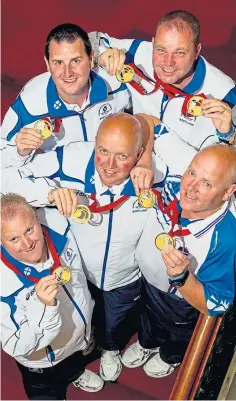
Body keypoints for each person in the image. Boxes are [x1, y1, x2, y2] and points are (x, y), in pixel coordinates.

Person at [0, 113, 166, 382]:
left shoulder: (153, 176)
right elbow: (5, 178)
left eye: (122, 156)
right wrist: (49, 194)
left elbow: (146, 119)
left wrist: (147, 159)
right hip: (78, 270)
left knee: (116, 321)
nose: (109, 166)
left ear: (138, 153)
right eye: (103, 152)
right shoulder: (73, 159)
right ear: (95, 145)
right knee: (85, 314)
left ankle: (110, 350)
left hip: (124, 276)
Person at [120, 129, 236, 378]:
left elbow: (218, 303)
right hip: (148, 283)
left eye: (207, 184)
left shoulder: (225, 240)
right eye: (192, 173)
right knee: (149, 319)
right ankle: (147, 343)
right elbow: (148, 124)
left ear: (228, 192)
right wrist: (144, 161)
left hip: (180, 302)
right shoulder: (184, 168)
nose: (191, 187)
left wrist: (183, 277)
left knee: (179, 333)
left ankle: (169, 356)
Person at [1, 23, 153, 193]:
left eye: (76, 61)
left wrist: (144, 160)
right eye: (58, 62)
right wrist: (19, 151)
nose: (67, 73)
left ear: (91, 58)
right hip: (62, 200)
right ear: (47, 63)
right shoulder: (31, 102)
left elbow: (150, 116)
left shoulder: (116, 81)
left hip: (118, 191)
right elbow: (3, 165)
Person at [0, 194, 104, 399]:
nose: (27, 243)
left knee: (73, 362)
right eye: (14, 239)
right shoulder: (4, 284)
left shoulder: (57, 223)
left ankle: (75, 373)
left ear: (37, 218)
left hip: (77, 340)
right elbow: (15, 346)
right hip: (42, 363)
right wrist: (44, 308)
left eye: (29, 229)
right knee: (46, 391)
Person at [89, 10, 236, 150]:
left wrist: (229, 135)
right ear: (152, 44)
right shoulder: (138, 52)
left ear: (197, 51)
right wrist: (100, 55)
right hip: (135, 161)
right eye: (161, 50)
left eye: (179, 53)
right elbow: (88, 39)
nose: (168, 62)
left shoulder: (225, 92)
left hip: (186, 171)